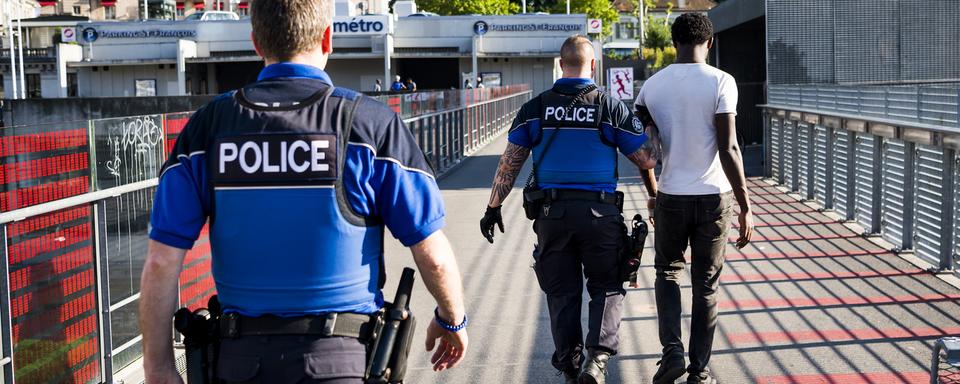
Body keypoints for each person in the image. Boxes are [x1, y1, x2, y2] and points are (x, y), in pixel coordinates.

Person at [139, 0, 469, 383]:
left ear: (256, 43)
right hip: (341, 361)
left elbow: (162, 262)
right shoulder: (369, 125)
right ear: (327, 37)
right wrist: (452, 318)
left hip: (237, 362)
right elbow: (433, 255)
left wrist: (158, 367)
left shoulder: (208, 127)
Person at [479, 35, 659, 384]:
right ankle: (598, 359)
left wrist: (493, 207)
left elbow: (509, 163)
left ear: (560, 65)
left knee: (561, 292)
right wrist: (648, 125)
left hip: (552, 216)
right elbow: (647, 158)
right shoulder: (609, 107)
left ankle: (570, 365)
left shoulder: (534, 108)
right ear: (593, 66)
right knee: (607, 285)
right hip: (600, 215)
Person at [634, 13, 753, 384]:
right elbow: (728, 146)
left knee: (667, 273)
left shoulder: (651, 87)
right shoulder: (722, 81)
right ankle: (699, 373)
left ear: (674, 43)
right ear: (710, 42)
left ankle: (672, 352)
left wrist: (653, 195)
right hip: (714, 197)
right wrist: (746, 205)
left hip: (671, 194)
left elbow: (646, 153)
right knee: (706, 284)